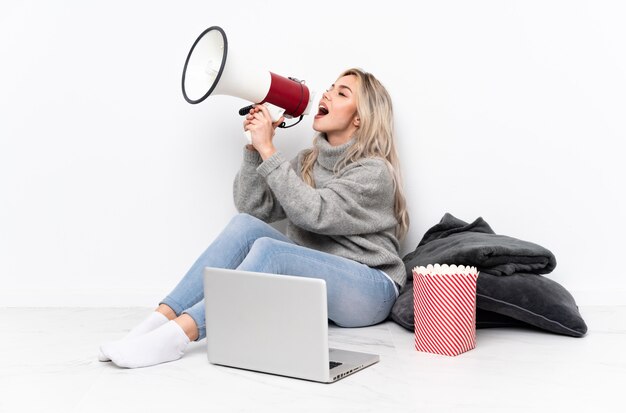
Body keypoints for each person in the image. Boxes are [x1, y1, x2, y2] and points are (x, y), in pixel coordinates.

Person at [99, 68, 410, 368]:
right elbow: (252, 209)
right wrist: (254, 149)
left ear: (359, 118)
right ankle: (156, 322)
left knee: (272, 251)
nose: (327, 94)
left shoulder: (373, 171)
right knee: (245, 228)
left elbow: (313, 213)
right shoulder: (307, 161)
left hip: (371, 288)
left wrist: (269, 149)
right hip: (320, 286)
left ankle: (178, 335)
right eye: (330, 86)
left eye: (342, 93)